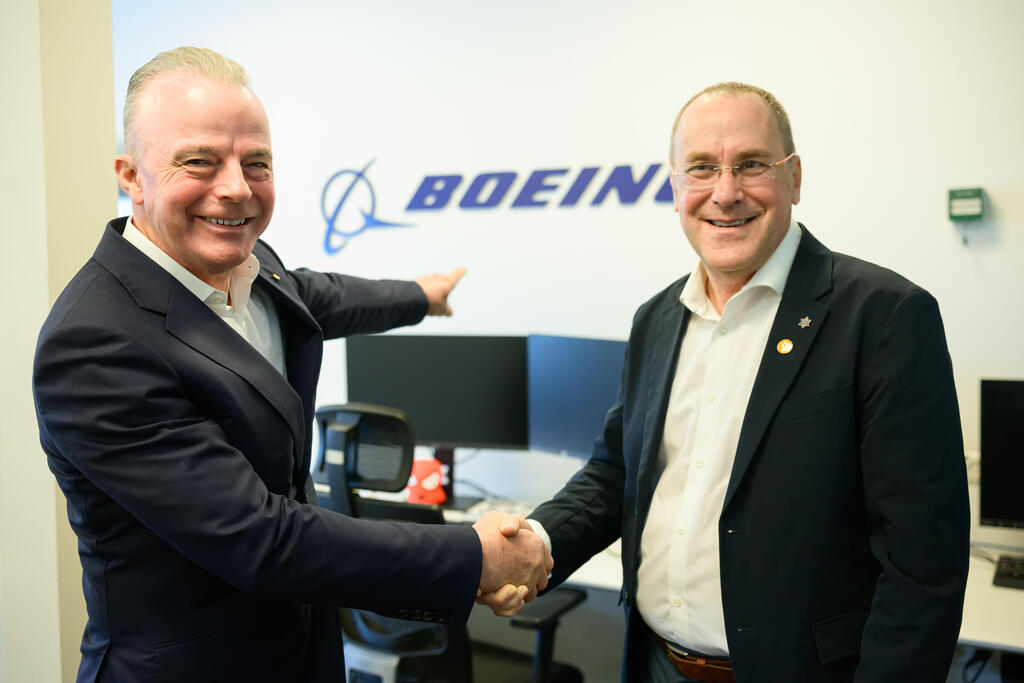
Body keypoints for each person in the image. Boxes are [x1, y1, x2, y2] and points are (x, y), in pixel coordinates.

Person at [33, 46, 551, 683]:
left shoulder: (247, 266)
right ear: (132, 177)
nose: (236, 188)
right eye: (199, 161)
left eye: (256, 163)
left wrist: (420, 296)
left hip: (304, 654)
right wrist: (474, 556)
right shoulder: (94, 343)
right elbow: (260, 538)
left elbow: (316, 296)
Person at [480, 82, 970, 682]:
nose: (726, 192)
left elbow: (923, 561)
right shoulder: (656, 318)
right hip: (655, 663)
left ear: (793, 178)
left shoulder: (884, 315)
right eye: (702, 168)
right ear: (675, 186)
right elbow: (617, 474)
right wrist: (536, 541)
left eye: (752, 164)